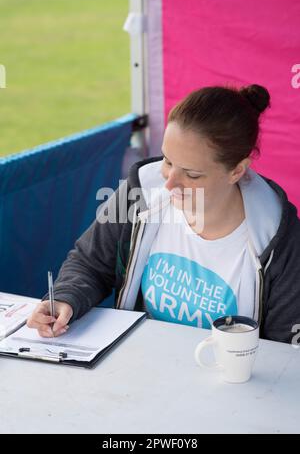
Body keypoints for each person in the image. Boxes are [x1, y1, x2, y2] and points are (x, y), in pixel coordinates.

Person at [27, 84, 300, 344]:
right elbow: (90, 263)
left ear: (237, 171)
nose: (169, 183)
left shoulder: (280, 239)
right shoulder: (142, 192)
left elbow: (285, 350)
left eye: (192, 174)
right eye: (167, 161)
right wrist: (65, 298)